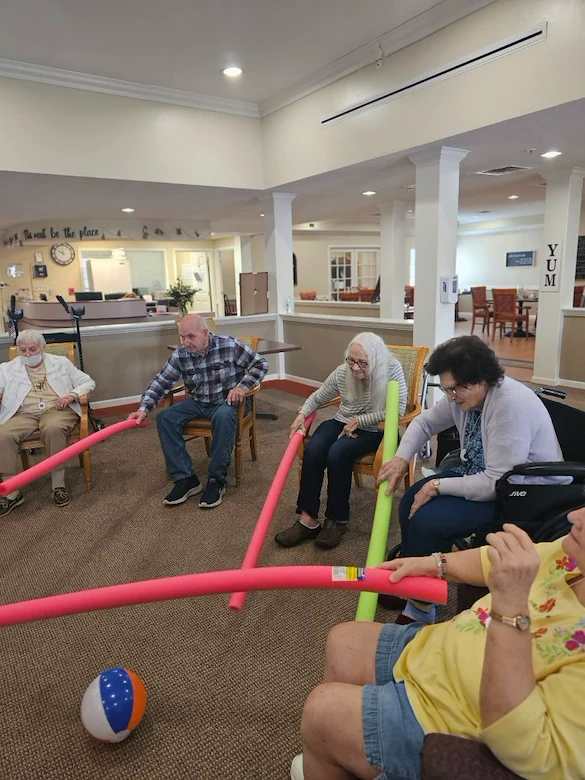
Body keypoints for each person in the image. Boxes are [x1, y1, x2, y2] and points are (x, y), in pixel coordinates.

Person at [291, 512, 585, 780]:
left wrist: (510, 606)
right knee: (343, 641)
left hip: (450, 719)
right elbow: (497, 561)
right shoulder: (576, 555)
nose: (575, 515)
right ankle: (340, 754)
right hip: (436, 653)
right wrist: (434, 563)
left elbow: (533, 752)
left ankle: (337, 747)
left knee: (322, 713)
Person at [375, 335, 565, 624]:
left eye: (455, 389)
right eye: (447, 388)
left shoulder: (509, 405)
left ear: (482, 379)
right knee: (411, 500)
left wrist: (438, 485)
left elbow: (496, 483)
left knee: (430, 520)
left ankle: (420, 607)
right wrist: (402, 458)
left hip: (524, 494)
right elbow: (425, 422)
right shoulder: (462, 395)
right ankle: (411, 584)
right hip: (482, 475)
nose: (450, 396)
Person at [275, 332, 407, 550]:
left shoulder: (391, 369)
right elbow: (318, 397)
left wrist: (361, 419)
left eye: (362, 363)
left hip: (376, 428)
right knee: (315, 449)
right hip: (343, 421)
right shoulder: (343, 372)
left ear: (375, 359)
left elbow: (398, 410)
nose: (355, 368)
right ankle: (308, 520)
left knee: (338, 452)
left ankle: (337, 520)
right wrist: (302, 413)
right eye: (351, 360)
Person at [129, 314, 268, 509]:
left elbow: (260, 364)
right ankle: (186, 478)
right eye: (182, 337)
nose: (186, 342)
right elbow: (161, 382)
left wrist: (241, 387)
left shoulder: (229, 345)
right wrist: (144, 408)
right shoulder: (180, 354)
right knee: (165, 418)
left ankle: (216, 480)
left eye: (191, 337)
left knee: (223, 416)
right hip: (199, 401)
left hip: (225, 402)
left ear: (205, 333)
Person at [0, 329, 95, 514]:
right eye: (23, 350)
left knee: (52, 428)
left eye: (32, 349)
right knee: (3, 434)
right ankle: (11, 492)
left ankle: (58, 485)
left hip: (57, 410)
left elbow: (87, 382)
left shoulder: (60, 363)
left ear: (43, 347)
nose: (27, 354)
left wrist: (71, 396)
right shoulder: (7, 368)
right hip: (24, 414)